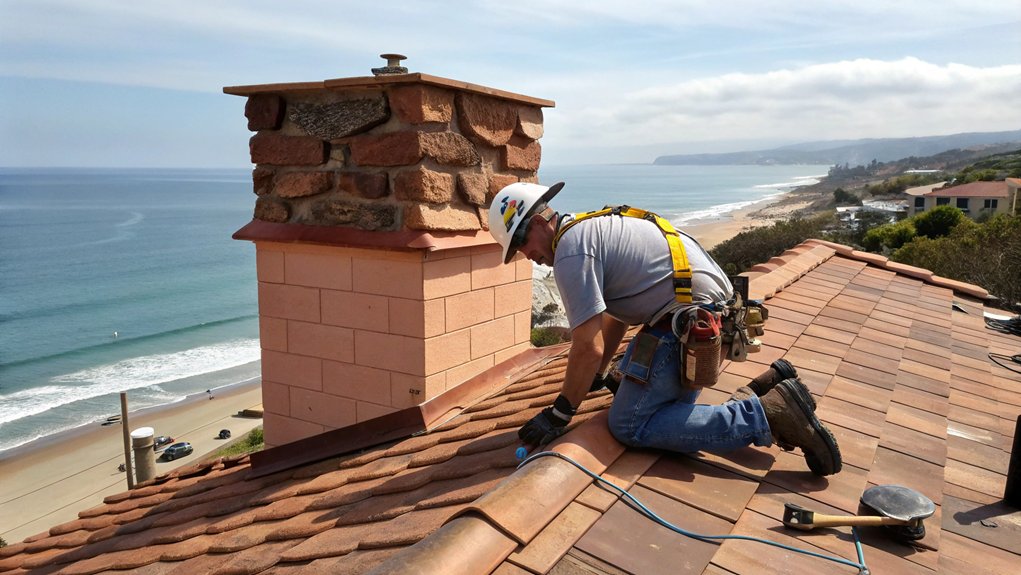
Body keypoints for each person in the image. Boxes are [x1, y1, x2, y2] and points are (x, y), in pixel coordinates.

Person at [488, 181, 841, 475]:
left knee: (630, 424)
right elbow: (615, 317)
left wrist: (560, 412)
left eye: (520, 244)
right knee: (662, 408)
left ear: (538, 223)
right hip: (706, 319)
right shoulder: (586, 229)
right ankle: (760, 392)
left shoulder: (570, 251)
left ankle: (764, 414)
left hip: (688, 325)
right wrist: (600, 373)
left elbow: (586, 345)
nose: (525, 255)